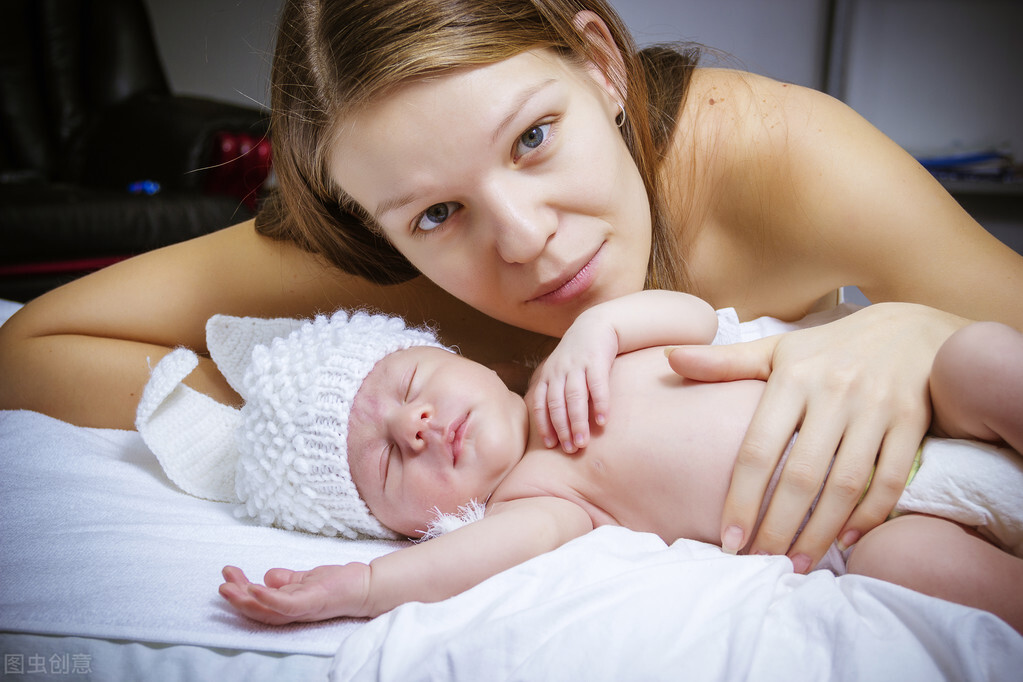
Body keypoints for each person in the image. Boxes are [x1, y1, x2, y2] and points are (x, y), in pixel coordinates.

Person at [1, 0, 1022, 573]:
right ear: (371, 225)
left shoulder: (776, 157)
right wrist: (308, 415)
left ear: (598, 64)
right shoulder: (381, 274)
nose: (528, 242)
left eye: (533, 137)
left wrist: (914, 330)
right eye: (436, 214)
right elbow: (32, 348)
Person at [210, 295, 1023, 632]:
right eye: (389, 462)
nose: (415, 426)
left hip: (927, 419)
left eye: (413, 385)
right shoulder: (538, 498)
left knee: (977, 356)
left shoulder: (581, 358)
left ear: (453, 355)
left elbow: (697, 318)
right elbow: (451, 569)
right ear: (402, 528)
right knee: (905, 569)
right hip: (872, 525)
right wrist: (357, 588)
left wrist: (599, 328)